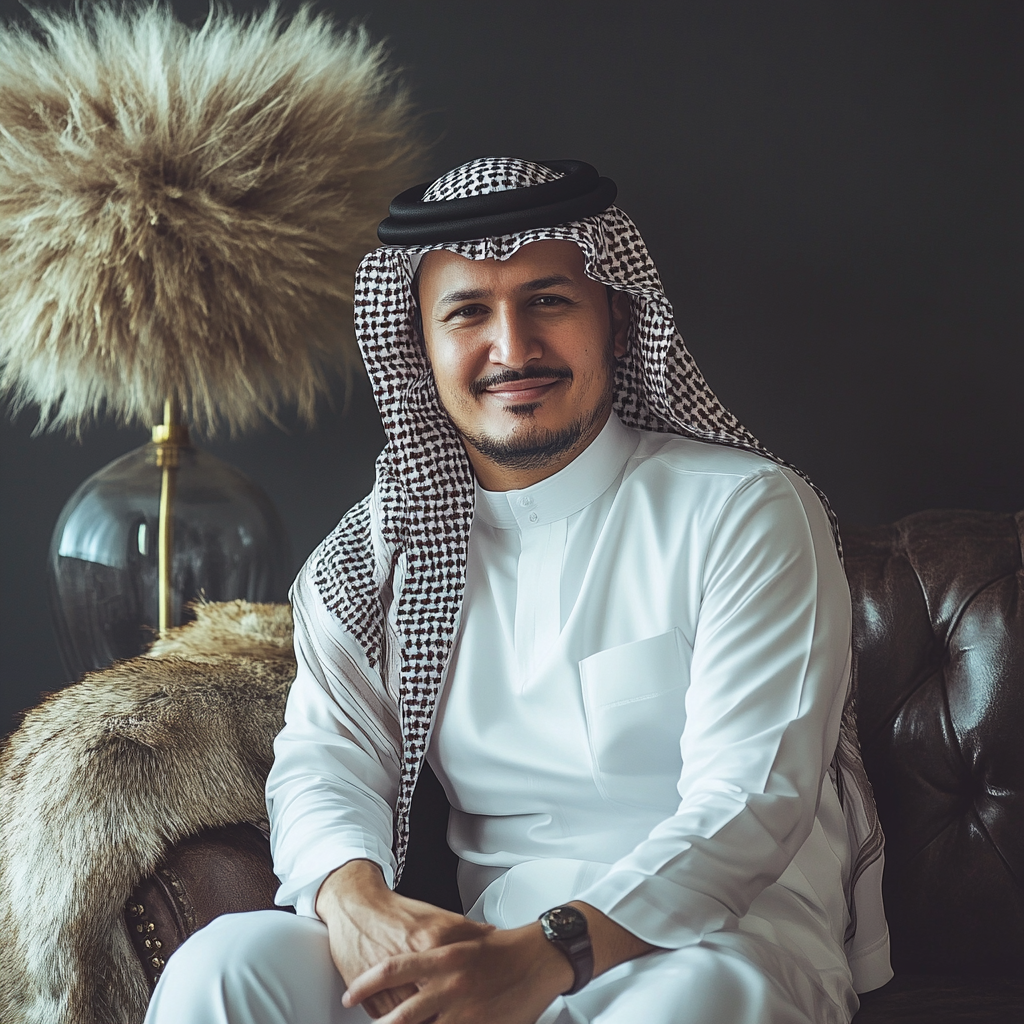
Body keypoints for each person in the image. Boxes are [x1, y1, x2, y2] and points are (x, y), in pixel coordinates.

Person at [144, 157, 891, 1024]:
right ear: (419, 347)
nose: (513, 349)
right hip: (481, 952)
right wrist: (355, 901)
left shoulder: (742, 510)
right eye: (467, 312)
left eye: (547, 301)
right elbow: (325, 759)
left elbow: (751, 801)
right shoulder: (373, 558)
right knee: (228, 965)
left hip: (720, 947)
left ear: (615, 319)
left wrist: (547, 957)